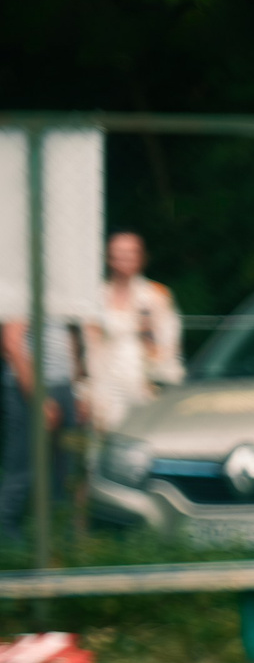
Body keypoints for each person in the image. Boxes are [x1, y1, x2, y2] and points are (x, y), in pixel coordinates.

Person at [84, 231, 185, 432]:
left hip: (145, 385)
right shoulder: (96, 297)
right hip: (106, 387)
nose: (125, 258)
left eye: (131, 252)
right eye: (119, 253)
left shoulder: (156, 295)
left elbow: (169, 345)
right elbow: (89, 348)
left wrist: (163, 382)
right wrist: (87, 391)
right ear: (109, 257)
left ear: (141, 257)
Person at [0, 316, 79, 544]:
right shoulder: (22, 283)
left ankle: (57, 548)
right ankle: (10, 554)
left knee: (64, 473)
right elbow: (12, 342)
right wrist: (40, 400)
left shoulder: (58, 288)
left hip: (62, 388)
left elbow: (64, 338)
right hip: (30, 389)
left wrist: (75, 389)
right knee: (22, 472)